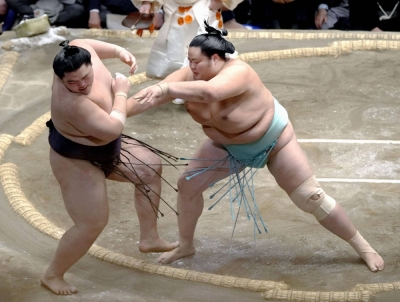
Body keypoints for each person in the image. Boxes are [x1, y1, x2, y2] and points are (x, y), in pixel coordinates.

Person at [129, 21, 385, 272]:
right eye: (189, 61)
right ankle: (185, 245)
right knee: (187, 185)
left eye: (196, 62)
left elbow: (210, 93)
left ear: (216, 59)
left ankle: (362, 246)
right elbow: (151, 97)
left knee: (311, 198)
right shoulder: (189, 75)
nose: (191, 67)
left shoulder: (239, 72)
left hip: (274, 142)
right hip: (226, 146)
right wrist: (117, 113)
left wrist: (169, 87)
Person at [41, 39, 179, 295]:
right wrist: (122, 91)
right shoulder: (73, 103)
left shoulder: (79, 51)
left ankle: (149, 238)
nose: (80, 85)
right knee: (91, 223)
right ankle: (53, 275)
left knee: (149, 168)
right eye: (71, 82)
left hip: (106, 148)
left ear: (89, 62)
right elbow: (114, 126)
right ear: (61, 79)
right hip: (76, 159)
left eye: (84, 77)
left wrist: (118, 51)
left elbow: (81, 42)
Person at [7, 0, 88, 28]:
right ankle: (34, 18)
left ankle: (47, 22)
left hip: (60, 7)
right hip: (34, 8)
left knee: (77, 9)